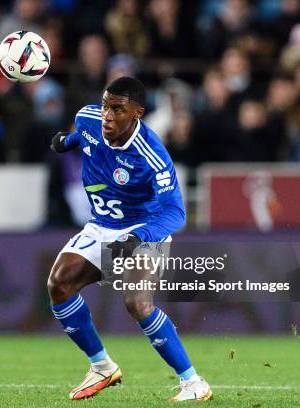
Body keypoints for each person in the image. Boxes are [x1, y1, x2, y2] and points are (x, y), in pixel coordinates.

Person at [49, 77, 212, 402]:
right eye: (106, 105)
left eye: (117, 109)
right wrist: (65, 143)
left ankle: (193, 383)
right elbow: (83, 136)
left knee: (136, 302)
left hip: (143, 229)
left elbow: (175, 212)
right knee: (59, 284)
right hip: (100, 225)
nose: (107, 115)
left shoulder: (151, 155)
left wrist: (137, 236)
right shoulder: (89, 118)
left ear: (137, 112)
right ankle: (102, 366)